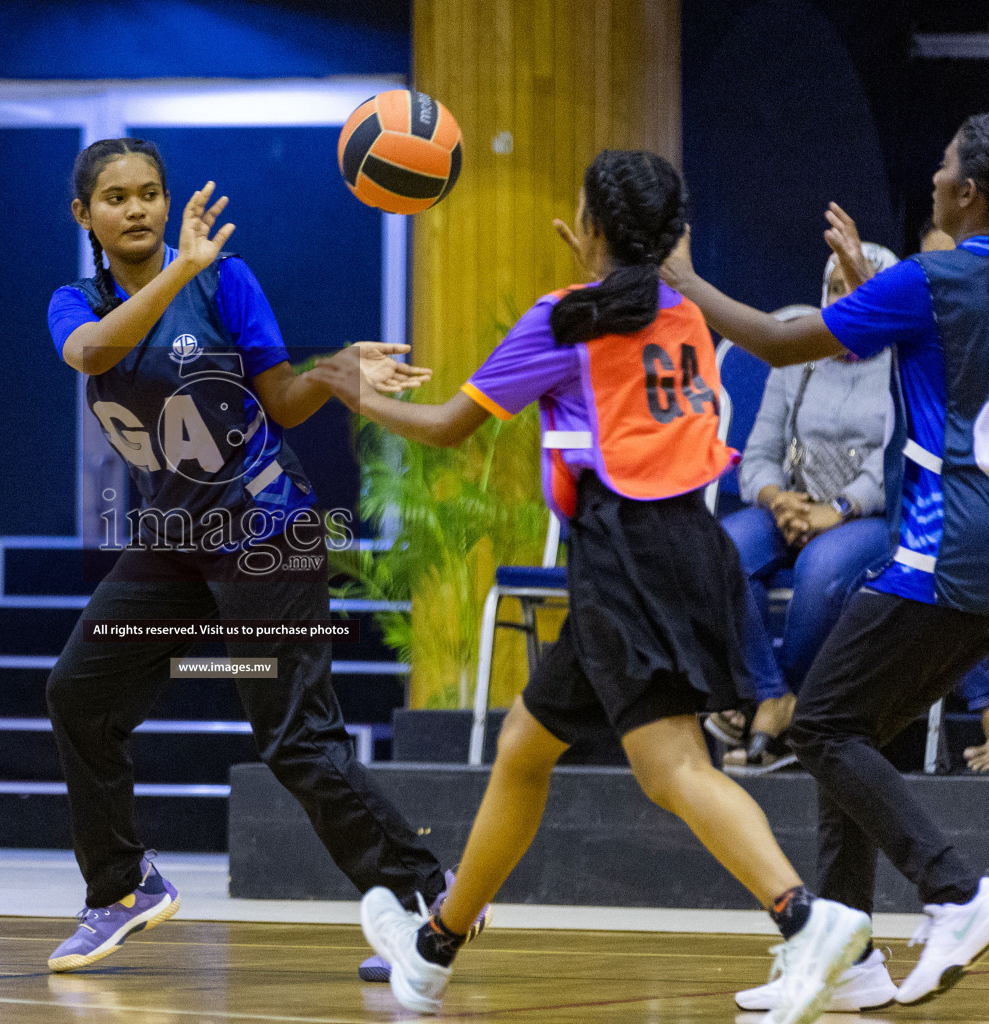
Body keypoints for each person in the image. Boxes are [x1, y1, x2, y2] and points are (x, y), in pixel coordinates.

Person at [307, 149, 869, 1023]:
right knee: (526, 746)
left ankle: (806, 919)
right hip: (694, 545)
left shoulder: (562, 320)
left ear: (594, 228)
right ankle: (435, 948)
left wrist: (353, 389)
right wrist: (607, 261)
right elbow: (630, 325)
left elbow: (451, 426)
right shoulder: (682, 311)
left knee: (672, 767)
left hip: (625, 557)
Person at [42, 137, 463, 976]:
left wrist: (336, 371)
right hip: (176, 542)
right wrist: (174, 271)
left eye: (150, 193)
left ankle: (431, 902)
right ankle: (123, 889)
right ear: (83, 214)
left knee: (298, 741)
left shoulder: (226, 280)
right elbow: (93, 355)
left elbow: (281, 401)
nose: (138, 209)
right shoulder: (75, 300)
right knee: (79, 694)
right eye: (117, 197)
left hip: (264, 530)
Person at [660, 115, 989, 1012]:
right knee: (862, 725)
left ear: (967, 193)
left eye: (944, 166)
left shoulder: (935, 277)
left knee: (821, 726)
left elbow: (774, 341)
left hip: (938, 549)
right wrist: (859, 288)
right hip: (983, 557)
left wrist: (685, 281)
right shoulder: (941, 287)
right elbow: (901, 351)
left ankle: (956, 892)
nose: (932, 174)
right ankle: (847, 960)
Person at [712, 247, 897, 775]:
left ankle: (789, 707)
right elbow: (760, 453)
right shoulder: (799, 353)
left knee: (819, 572)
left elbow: (896, 460)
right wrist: (777, 498)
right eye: (836, 289)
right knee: (723, 549)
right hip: (793, 506)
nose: (845, 300)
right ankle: (776, 697)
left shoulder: (905, 359)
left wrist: (838, 509)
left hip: (870, 517)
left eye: (859, 286)